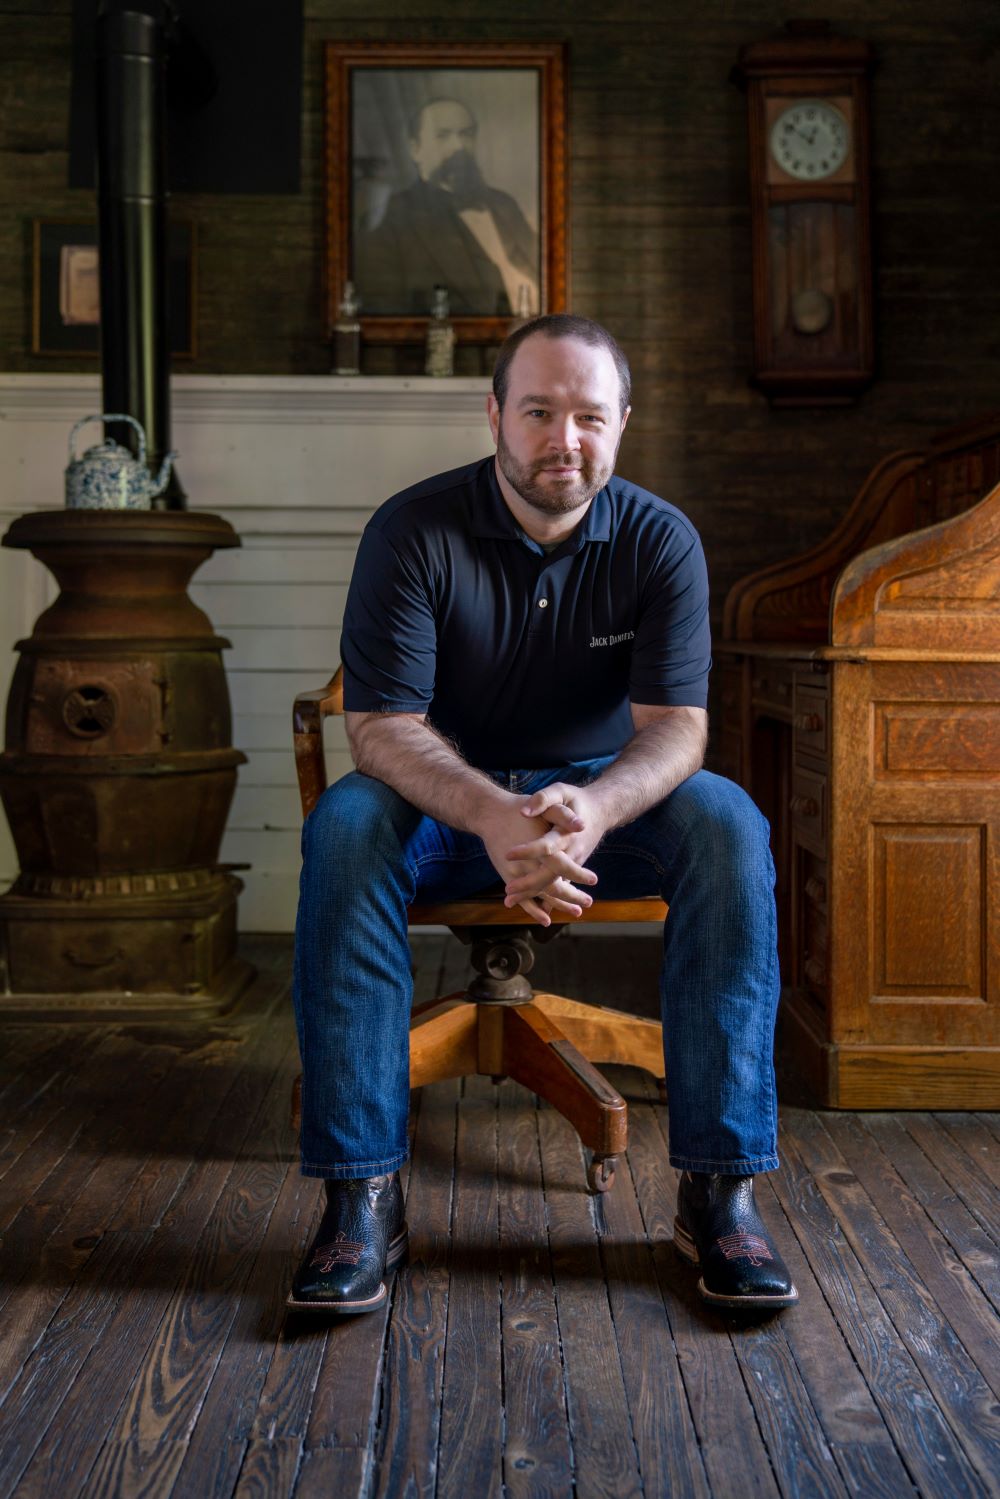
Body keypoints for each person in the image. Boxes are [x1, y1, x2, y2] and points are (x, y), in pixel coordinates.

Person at [288, 314, 798, 1316]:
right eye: (538, 411)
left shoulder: (660, 539)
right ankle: (363, 1196)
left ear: (622, 425)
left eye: (588, 416)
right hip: (441, 801)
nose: (563, 439)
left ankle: (720, 1190)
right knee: (346, 825)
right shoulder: (412, 528)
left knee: (728, 820)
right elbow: (380, 727)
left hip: (598, 799)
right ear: (494, 415)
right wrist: (490, 812)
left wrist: (595, 805)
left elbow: (677, 729)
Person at [354, 97, 539, 317]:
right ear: (415, 149)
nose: (458, 146)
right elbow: (382, 310)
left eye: (466, 134)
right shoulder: (391, 218)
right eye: (443, 136)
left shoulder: (503, 203)